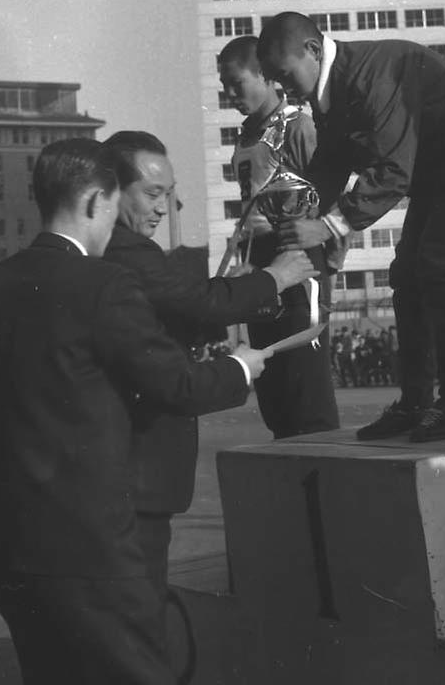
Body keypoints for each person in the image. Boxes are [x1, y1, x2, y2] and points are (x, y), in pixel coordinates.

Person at [0, 138, 272, 685]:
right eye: (114, 207)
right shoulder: (104, 284)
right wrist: (241, 367)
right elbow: (177, 386)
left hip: (12, 548)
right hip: (92, 552)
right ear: (93, 202)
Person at [257, 11, 445, 441]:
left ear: (313, 51)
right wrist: (306, 213)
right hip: (435, 166)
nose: (283, 90)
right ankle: (415, 403)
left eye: (284, 76)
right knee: (406, 274)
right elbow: (332, 162)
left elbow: (394, 172)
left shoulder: (369, 77)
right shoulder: (332, 86)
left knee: (436, 267)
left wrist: (327, 227)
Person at [101, 130, 316, 627]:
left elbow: (176, 310)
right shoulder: (126, 250)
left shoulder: (128, 251)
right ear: (112, 191)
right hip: (137, 465)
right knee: (136, 613)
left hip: (129, 471)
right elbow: (191, 302)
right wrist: (275, 277)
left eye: (168, 195)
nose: (163, 208)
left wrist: (233, 290)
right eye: (152, 194)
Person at [217, 35, 340, 439]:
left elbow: (332, 197)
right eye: (225, 87)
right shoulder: (246, 136)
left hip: (300, 260)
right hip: (264, 266)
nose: (231, 95)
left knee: (305, 383)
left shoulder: (298, 125)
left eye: (238, 83)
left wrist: (328, 258)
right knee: (273, 385)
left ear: (268, 77)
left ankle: (323, 484)